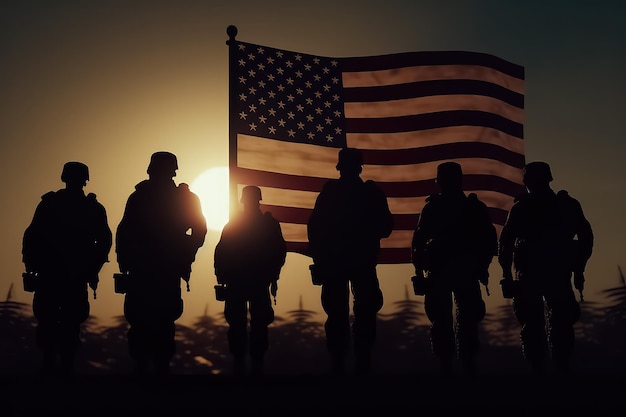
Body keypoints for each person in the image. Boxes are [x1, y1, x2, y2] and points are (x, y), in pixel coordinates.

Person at [116, 151, 207, 375]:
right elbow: (124, 232)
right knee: (146, 321)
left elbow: (199, 230)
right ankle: (148, 368)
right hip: (148, 269)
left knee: (159, 321)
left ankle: (155, 369)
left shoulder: (180, 198)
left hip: (160, 268)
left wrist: (184, 251)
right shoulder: (141, 196)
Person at [498, 161, 593, 375]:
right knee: (545, 323)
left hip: (542, 273)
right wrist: (579, 267)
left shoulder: (528, 206)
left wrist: (579, 267)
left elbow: (505, 243)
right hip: (542, 274)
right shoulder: (563, 205)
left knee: (547, 322)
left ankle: (548, 368)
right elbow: (505, 242)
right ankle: (548, 367)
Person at [307, 147, 393, 375]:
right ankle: (349, 362)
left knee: (350, 311)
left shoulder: (336, 192)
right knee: (347, 312)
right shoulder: (368, 193)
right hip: (351, 261)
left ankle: (349, 361)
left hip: (348, 261)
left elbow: (385, 227)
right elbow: (315, 228)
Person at [22, 161, 112, 376]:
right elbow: (105, 241)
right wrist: (93, 268)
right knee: (62, 321)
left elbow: (31, 236)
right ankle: (59, 364)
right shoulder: (91, 207)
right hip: (66, 273)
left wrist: (31, 263)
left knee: (58, 320)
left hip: (59, 273)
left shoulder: (51, 203)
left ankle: (57, 364)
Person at [411, 161, 497, 377]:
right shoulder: (469, 207)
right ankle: (451, 364)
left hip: (457, 269)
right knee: (447, 318)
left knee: (461, 318)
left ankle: (459, 363)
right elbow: (419, 240)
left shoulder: (467, 207)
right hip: (447, 270)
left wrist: (482, 265)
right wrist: (419, 269)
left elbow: (488, 240)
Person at [214, 185, 287, 375]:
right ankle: (247, 363)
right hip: (249, 281)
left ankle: (253, 364)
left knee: (253, 324)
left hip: (251, 281)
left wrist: (272, 273)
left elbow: (279, 251)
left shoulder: (237, 224)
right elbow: (221, 252)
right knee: (245, 324)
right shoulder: (257, 225)